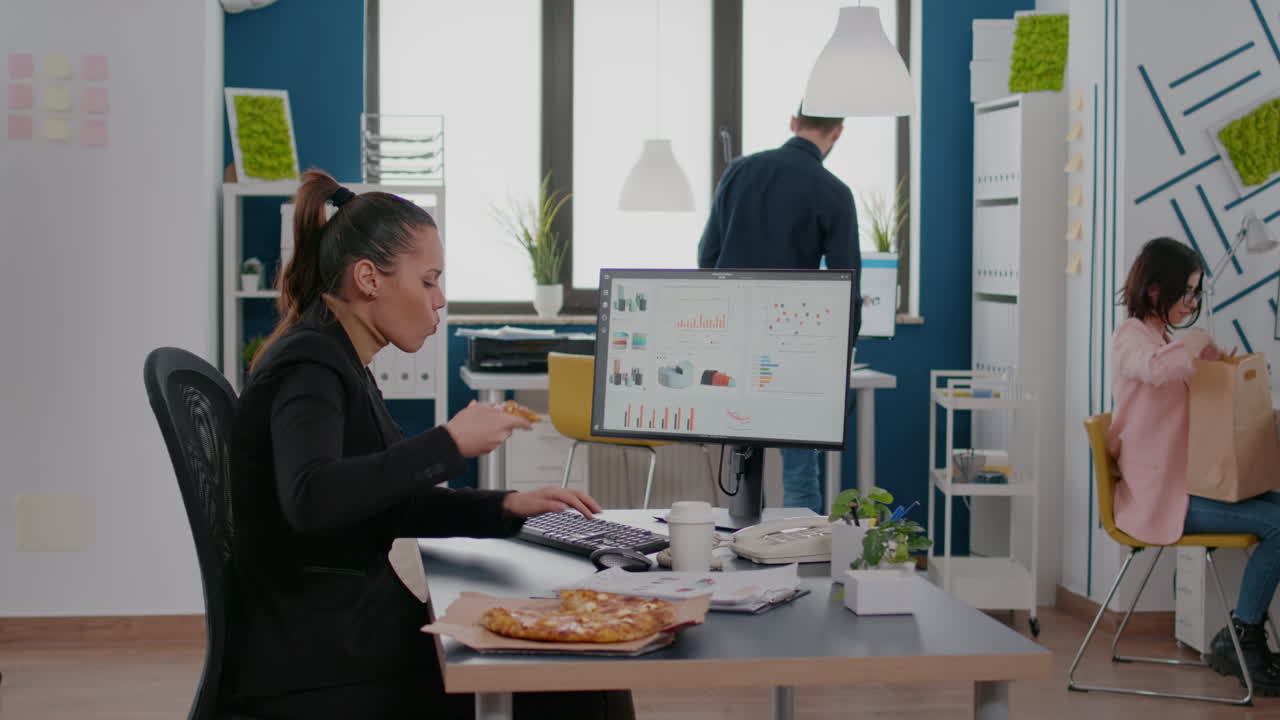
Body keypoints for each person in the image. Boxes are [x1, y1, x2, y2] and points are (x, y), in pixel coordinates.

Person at [226, 169, 635, 719]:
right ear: (369, 278)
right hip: (320, 654)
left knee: (572, 663)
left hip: (331, 630)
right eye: (428, 281)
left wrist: (507, 505)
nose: (440, 299)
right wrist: (449, 442)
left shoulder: (336, 355)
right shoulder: (311, 365)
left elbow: (384, 499)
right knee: (583, 680)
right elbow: (312, 496)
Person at [1109, 236, 1280, 695]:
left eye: (1195, 292)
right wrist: (1195, 344)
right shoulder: (1130, 338)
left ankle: (1243, 634)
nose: (1192, 302)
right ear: (1153, 291)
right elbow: (1154, 370)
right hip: (1158, 497)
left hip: (1186, 485)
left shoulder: (1164, 341)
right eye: (1187, 291)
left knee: (1276, 502)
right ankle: (1242, 637)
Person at [697, 107, 862, 514]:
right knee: (800, 470)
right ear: (837, 132)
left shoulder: (739, 171)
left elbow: (707, 257)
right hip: (793, 346)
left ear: (793, 121)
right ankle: (797, 556)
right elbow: (847, 286)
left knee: (740, 465)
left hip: (733, 338)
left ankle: (740, 548)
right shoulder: (834, 191)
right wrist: (842, 354)